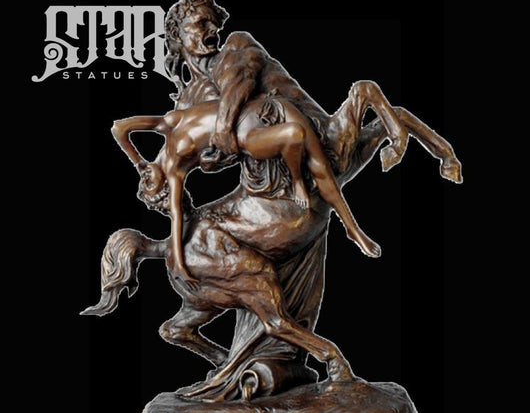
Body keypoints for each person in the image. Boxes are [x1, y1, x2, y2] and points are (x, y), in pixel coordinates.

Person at [111, 94, 382, 287]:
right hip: (247, 135)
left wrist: (137, 161)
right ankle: (339, 217)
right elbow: (176, 217)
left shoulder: (168, 123)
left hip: (262, 108)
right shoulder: (175, 172)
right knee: (295, 136)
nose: (145, 178)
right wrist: (180, 264)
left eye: (143, 179)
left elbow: (119, 128)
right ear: (163, 188)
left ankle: (351, 227)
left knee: (322, 167)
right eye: (149, 185)